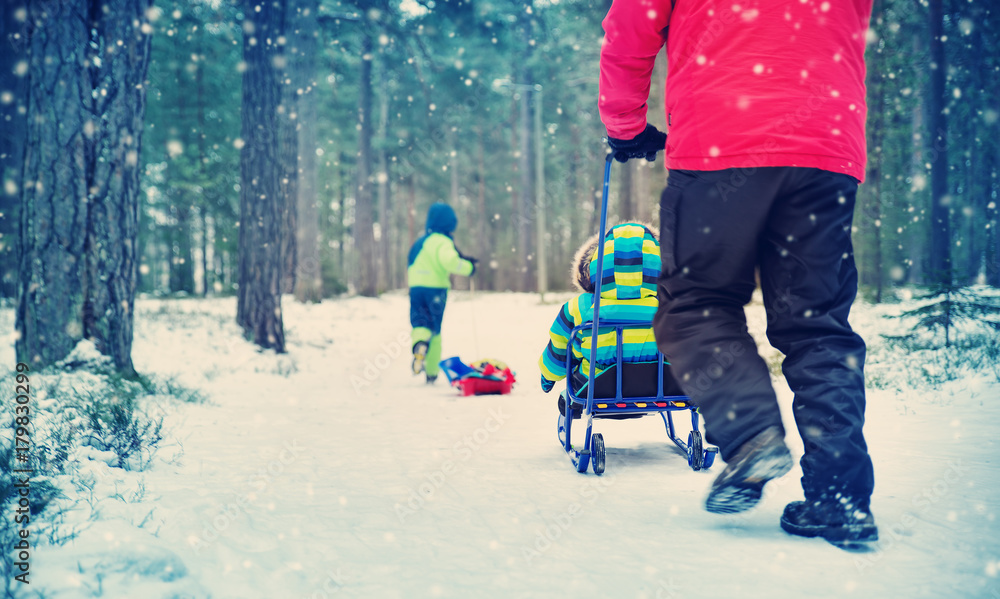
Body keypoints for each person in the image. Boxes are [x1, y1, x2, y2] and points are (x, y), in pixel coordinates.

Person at [598, 0, 877, 546]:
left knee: (695, 304)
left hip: (721, 141)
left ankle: (752, 436)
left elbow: (631, 26)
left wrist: (626, 127)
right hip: (826, 144)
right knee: (817, 325)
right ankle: (839, 500)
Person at [539, 223, 683, 418]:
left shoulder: (581, 307)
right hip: (658, 389)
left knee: (576, 366)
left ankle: (571, 408)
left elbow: (559, 349)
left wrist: (548, 376)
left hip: (596, 388)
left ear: (599, 266)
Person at [407, 203, 477, 384]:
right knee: (435, 329)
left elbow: (410, 262)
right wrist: (468, 267)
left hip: (416, 287)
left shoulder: (421, 242)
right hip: (436, 288)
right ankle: (431, 372)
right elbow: (450, 262)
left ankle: (420, 344)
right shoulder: (443, 242)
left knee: (420, 322)